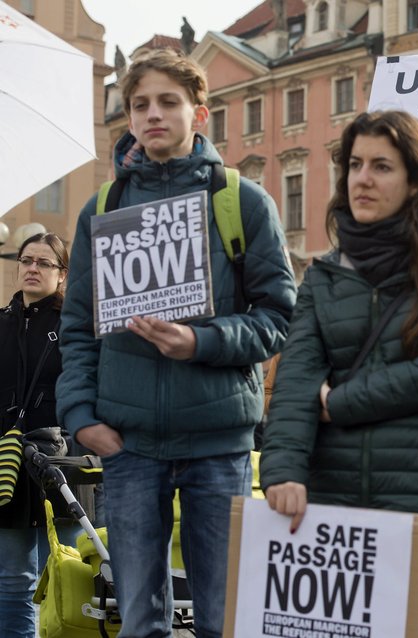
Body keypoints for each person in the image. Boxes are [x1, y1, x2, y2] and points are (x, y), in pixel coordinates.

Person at [57, 49, 296, 638]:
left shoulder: (242, 202)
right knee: (139, 620)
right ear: (130, 118)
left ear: (200, 114)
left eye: (168, 102)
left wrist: (202, 342)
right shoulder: (102, 209)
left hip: (219, 443)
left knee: (222, 617)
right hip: (128, 445)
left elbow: (280, 318)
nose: (153, 114)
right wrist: (81, 415)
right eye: (141, 105)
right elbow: (79, 326)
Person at [259, 110, 418, 638]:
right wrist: (282, 470)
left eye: (381, 166)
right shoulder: (324, 276)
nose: (362, 179)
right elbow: (297, 380)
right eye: (354, 165)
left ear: (416, 179)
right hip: (333, 508)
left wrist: (342, 401)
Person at [0, 233, 69, 637]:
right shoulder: (2, 321)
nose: (32, 268)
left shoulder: (76, 324)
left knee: (69, 573)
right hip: (8, 462)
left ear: (61, 275)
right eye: (27, 260)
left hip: (61, 460)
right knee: (11, 582)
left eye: (44, 263)